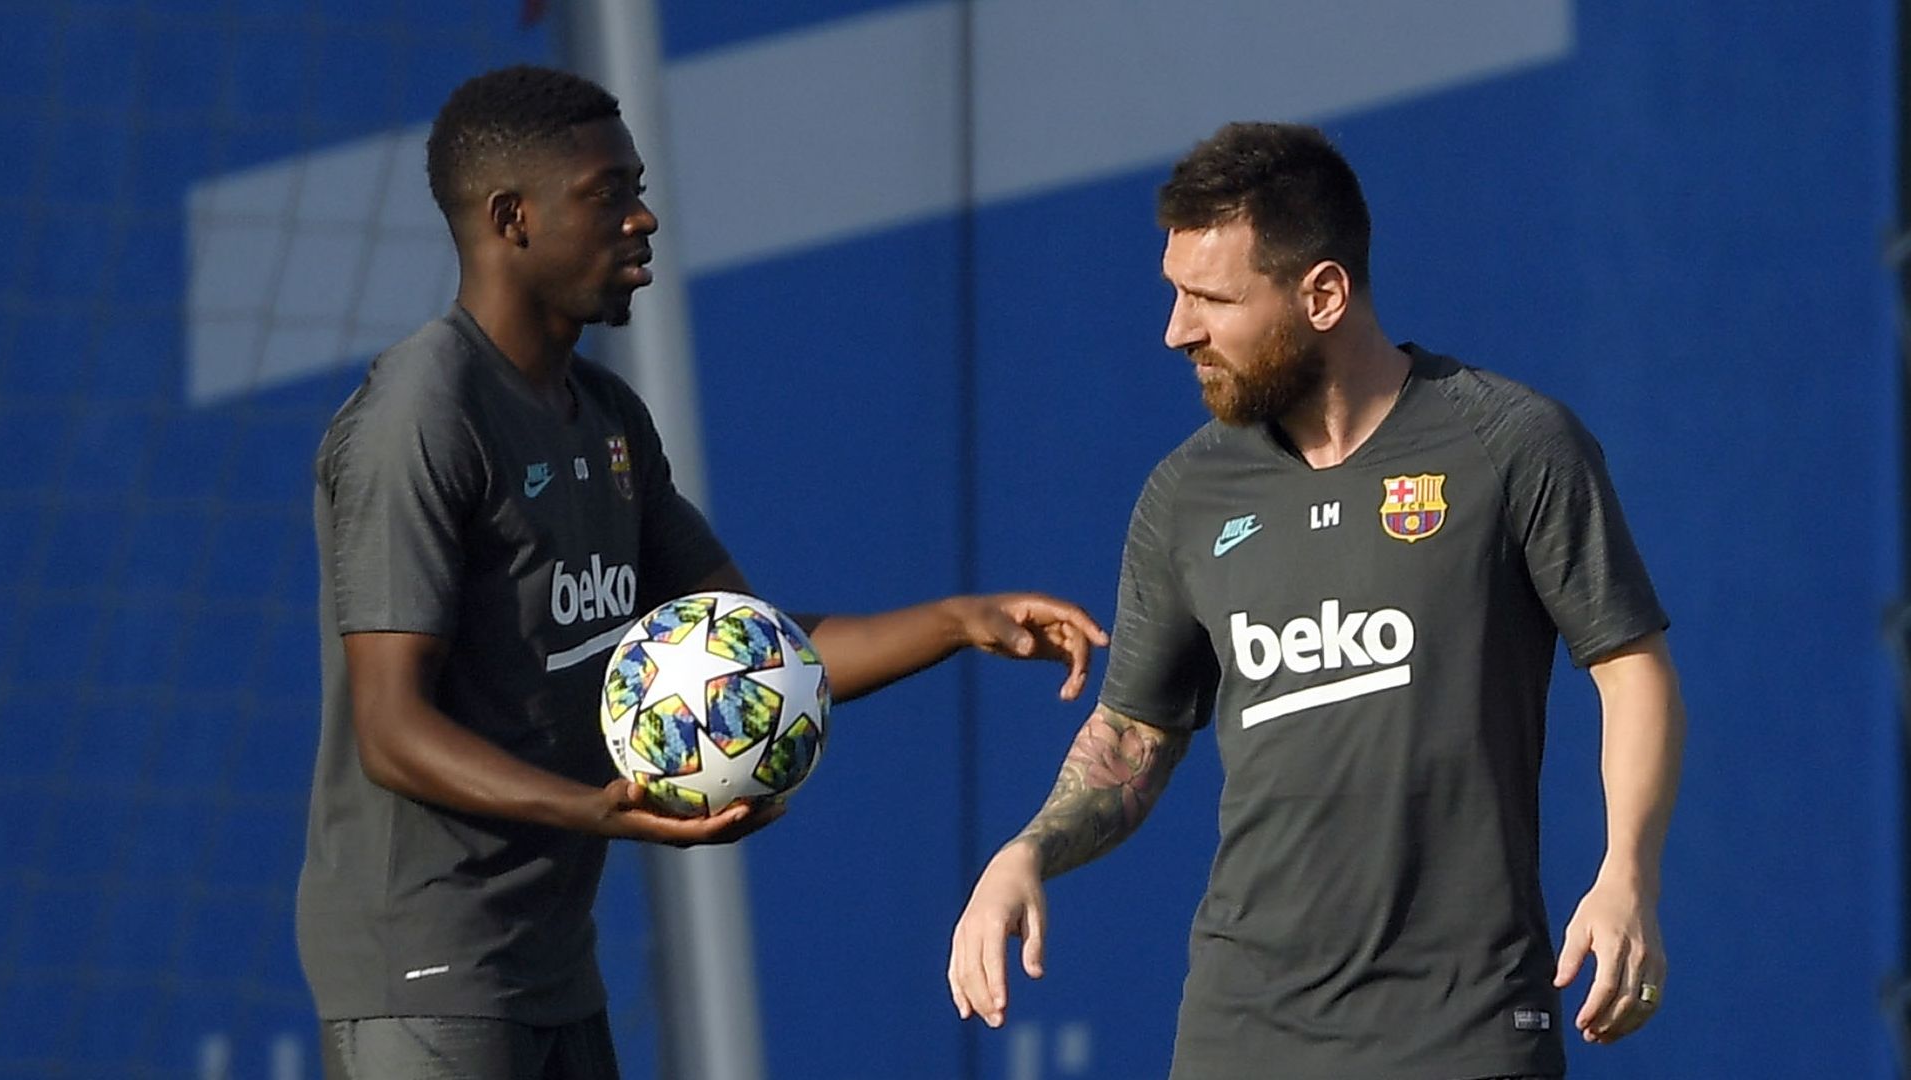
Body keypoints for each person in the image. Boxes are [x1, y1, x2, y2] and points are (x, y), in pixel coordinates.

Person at [296, 64, 1109, 1080]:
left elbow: (753, 648)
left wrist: (959, 620)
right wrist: (590, 807)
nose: (642, 219)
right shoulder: (421, 417)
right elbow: (390, 730)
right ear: (511, 219)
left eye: (639, 188)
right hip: (420, 972)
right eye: (607, 195)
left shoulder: (606, 418)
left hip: (550, 965)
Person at [946, 122, 1685, 1080]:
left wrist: (1629, 875)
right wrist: (1028, 851)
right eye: (1175, 293)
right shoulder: (1186, 495)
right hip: (1242, 1034)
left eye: (1210, 299)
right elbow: (1135, 731)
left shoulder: (1511, 443)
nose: (1177, 330)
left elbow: (1631, 671)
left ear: (1324, 294)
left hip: (1465, 1029)